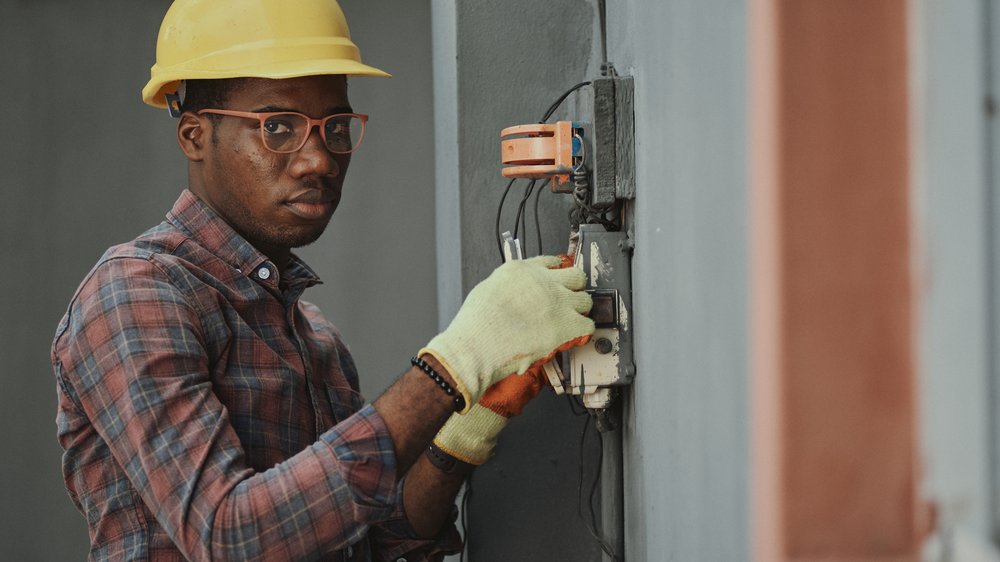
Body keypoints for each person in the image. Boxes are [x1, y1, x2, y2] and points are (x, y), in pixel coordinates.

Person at [50, 1, 595, 561]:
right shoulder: (135, 294)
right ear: (194, 136)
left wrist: (466, 429)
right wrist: (453, 366)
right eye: (278, 127)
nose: (318, 160)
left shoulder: (314, 339)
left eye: (335, 126)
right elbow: (231, 537)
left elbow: (382, 542)